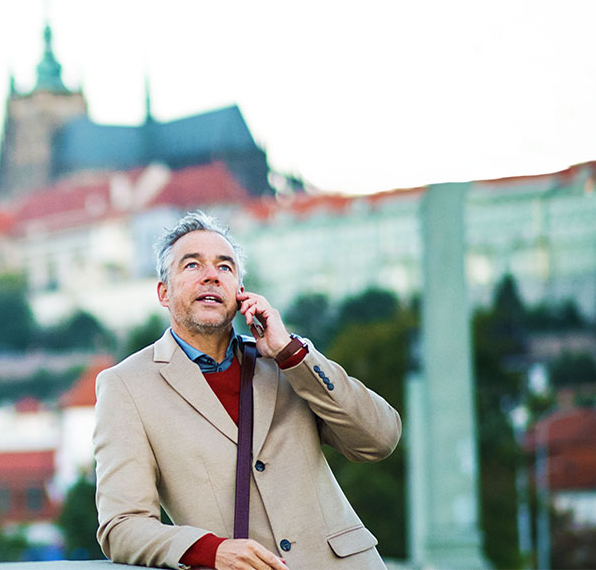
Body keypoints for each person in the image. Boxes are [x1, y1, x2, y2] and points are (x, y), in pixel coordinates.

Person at [94, 211, 401, 570]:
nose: (211, 275)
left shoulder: (289, 363)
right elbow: (121, 526)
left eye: (225, 267)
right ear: (164, 292)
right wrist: (211, 551)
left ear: (240, 292)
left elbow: (379, 439)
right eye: (192, 266)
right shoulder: (126, 386)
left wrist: (291, 354)